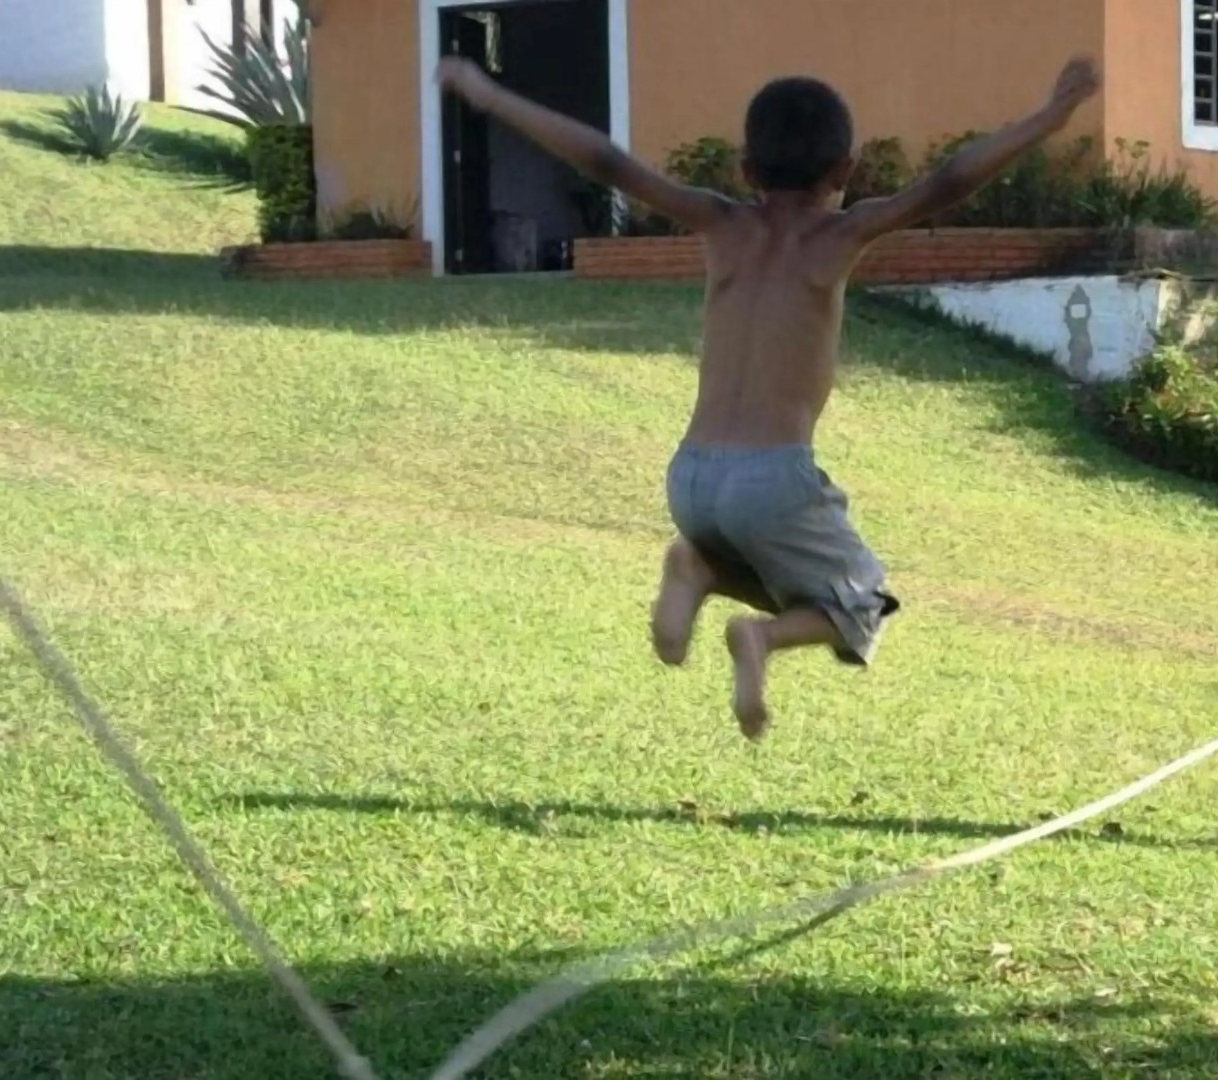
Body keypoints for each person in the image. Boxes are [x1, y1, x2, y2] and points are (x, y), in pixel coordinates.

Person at [435, 54, 1102, 740]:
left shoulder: (720, 222)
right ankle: (760, 640)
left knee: (778, 564)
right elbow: (949, 181)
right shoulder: (841, 233)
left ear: (746, 171)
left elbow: (606, 160)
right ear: (845, 171)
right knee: (862, 599)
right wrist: (1050, 116)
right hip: (775, 478)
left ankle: (694, 567)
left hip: (690, 475)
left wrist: (489, 95)